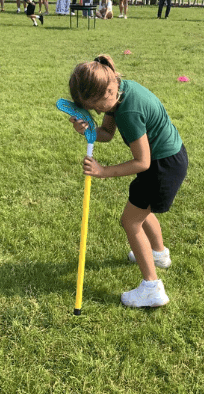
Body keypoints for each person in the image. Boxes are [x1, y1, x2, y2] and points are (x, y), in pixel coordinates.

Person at [67, 54, 188, 308]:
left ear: (109, 88)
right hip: (169, 159)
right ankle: (159, 254)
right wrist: (85, 130)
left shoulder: (129, 111)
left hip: (161, 166)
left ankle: (152, 288)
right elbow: (107, 134)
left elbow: (142, 162)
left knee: (130, 220)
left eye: (98, 106)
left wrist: (103, 170)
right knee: (142, 211)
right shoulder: (120, 91)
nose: (99, 111)